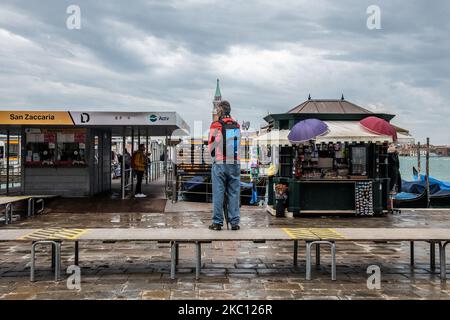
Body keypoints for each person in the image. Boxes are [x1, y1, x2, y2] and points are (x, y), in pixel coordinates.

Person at [208, 100, 241, 230]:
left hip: (220, 163)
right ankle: (234, 223)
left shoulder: (216, 125)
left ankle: (217, 222)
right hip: (234, 162)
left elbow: (211, 145)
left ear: (220, 111)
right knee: (234, 193)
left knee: (218, 193)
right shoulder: (236, 125)